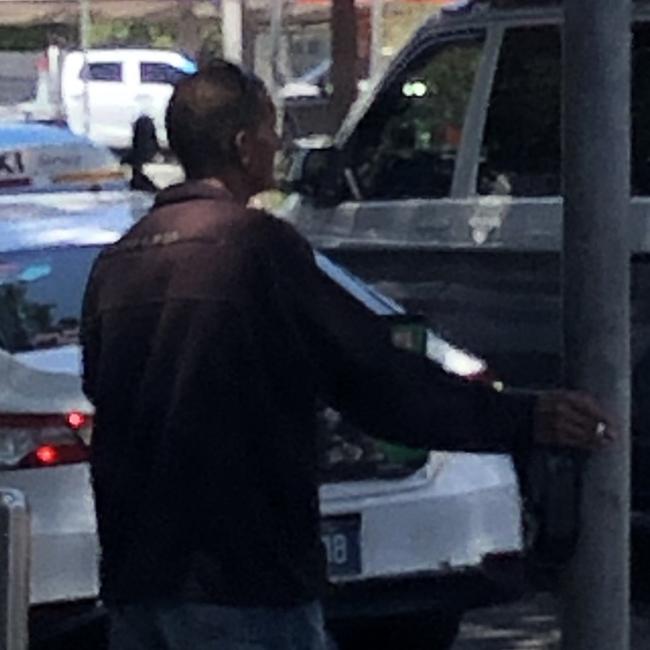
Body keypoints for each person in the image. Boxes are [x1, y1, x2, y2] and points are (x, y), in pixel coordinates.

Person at [80, 60, 613, 650]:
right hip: (243, 585)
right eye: (270, 128)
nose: (279, 143)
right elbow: (376, 378)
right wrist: (525, 419)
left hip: (138, 587)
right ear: (242, 145)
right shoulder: (256, 249)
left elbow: (105, 400)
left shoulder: (118, 265)